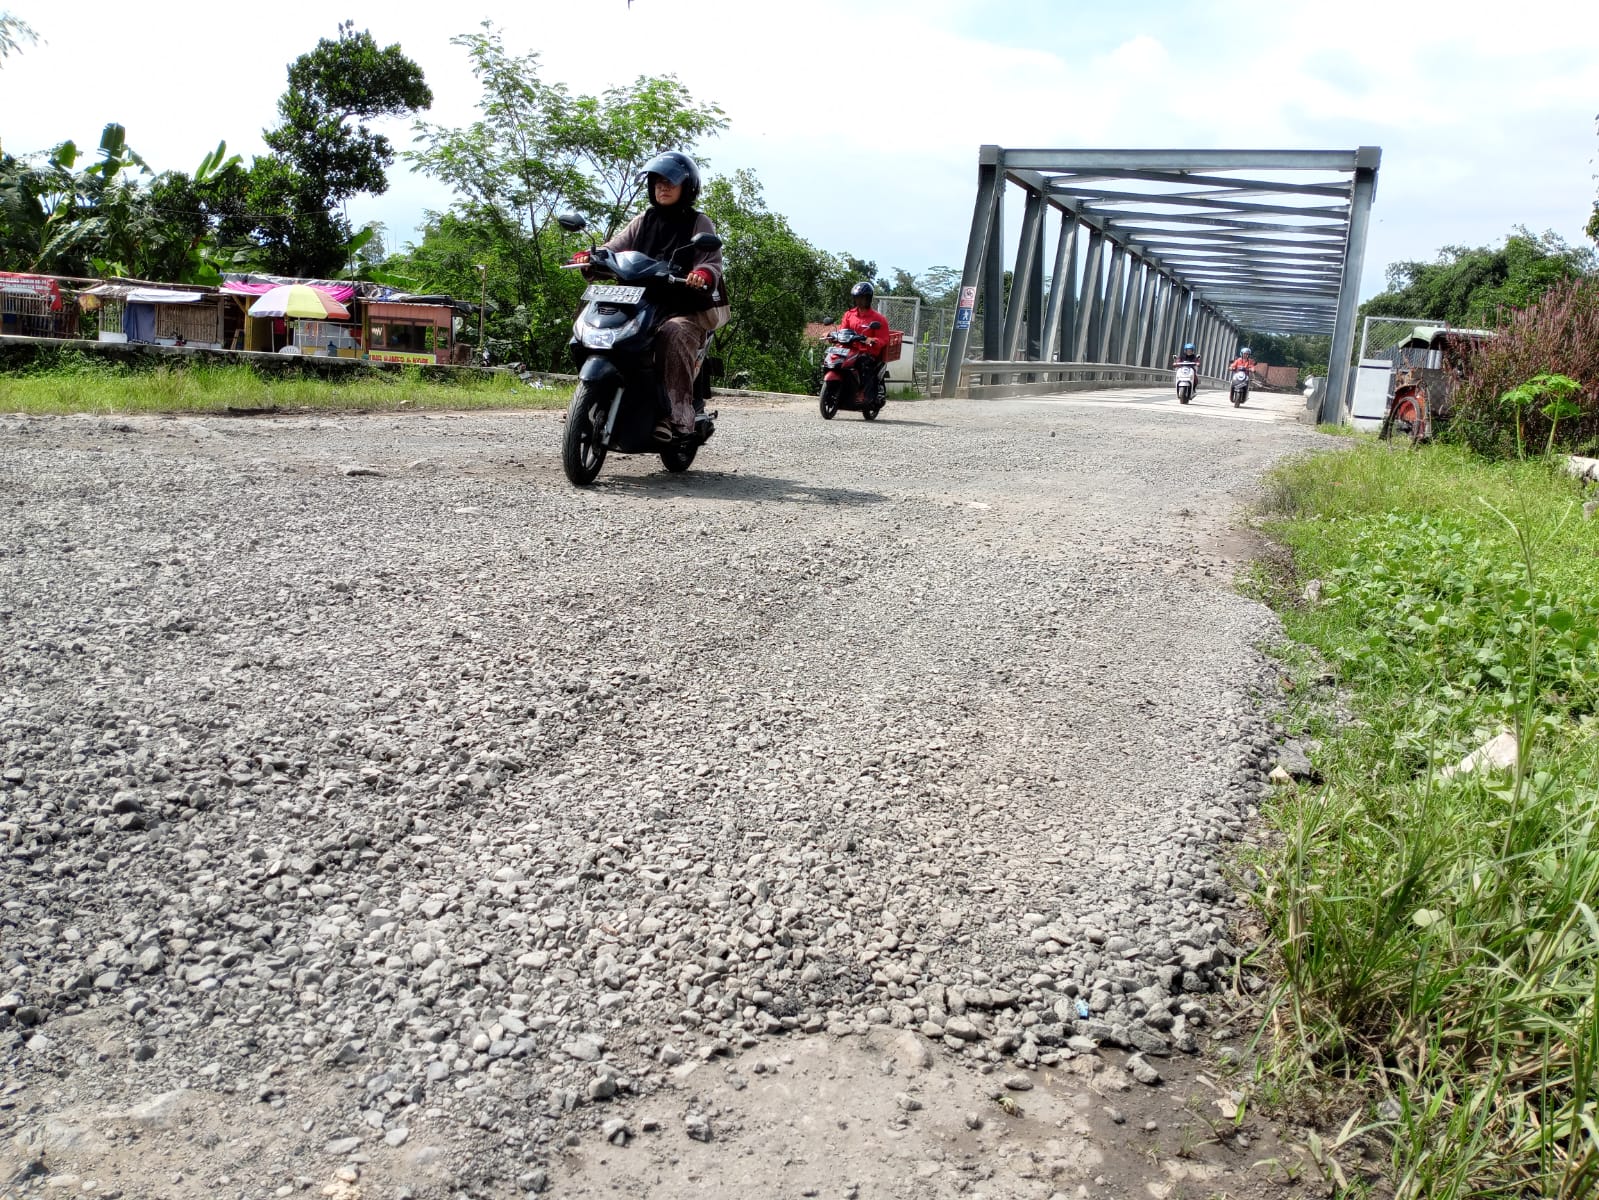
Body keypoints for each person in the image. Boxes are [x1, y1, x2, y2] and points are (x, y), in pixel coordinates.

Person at [570, 151, 729, 441]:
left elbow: (711, 262)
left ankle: (676, 415)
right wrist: (591, 256)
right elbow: (614, 247)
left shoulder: (699, 223)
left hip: (682, 308)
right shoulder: (644, 220)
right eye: (657, 182)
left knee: (673, 333)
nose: (662, 187)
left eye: (670, 182)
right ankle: (590, 399)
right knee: (594, 327)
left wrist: (702, 274)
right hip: (639, 303)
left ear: (688, 186)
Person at [835, 281, 892, 403]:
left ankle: (863, 393)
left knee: (863, 363)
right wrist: (832, 335)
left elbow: (883, 338)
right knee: (834, 359)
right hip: (849, 350)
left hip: (867, 352)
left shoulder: (878, 319)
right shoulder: (849, 315)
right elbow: (842, 330)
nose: (859, 301)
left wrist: (872, 340)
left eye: (862, 298)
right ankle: (836, 387)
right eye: (857, 298)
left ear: (868, 299)